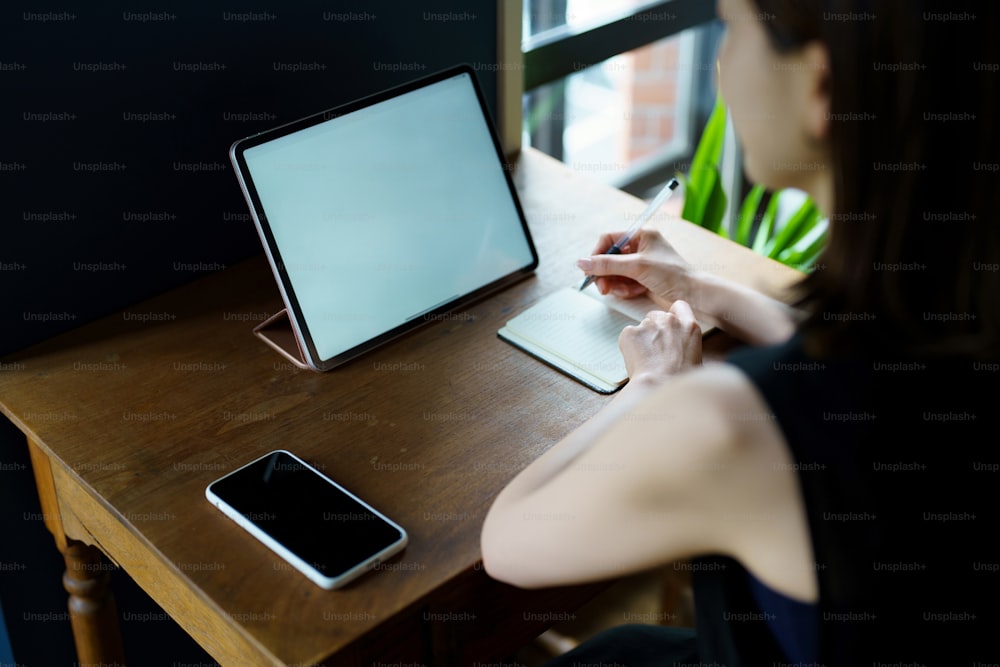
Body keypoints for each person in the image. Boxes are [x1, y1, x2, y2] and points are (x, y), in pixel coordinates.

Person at [481, 0, 998, 664]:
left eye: (733, 29)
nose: (722, 66)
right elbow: (842, 372)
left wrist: (655, 390)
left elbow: (508, 540)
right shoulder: (948, 309)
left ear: (822, 86)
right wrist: (699, 288)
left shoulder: (731, 424)